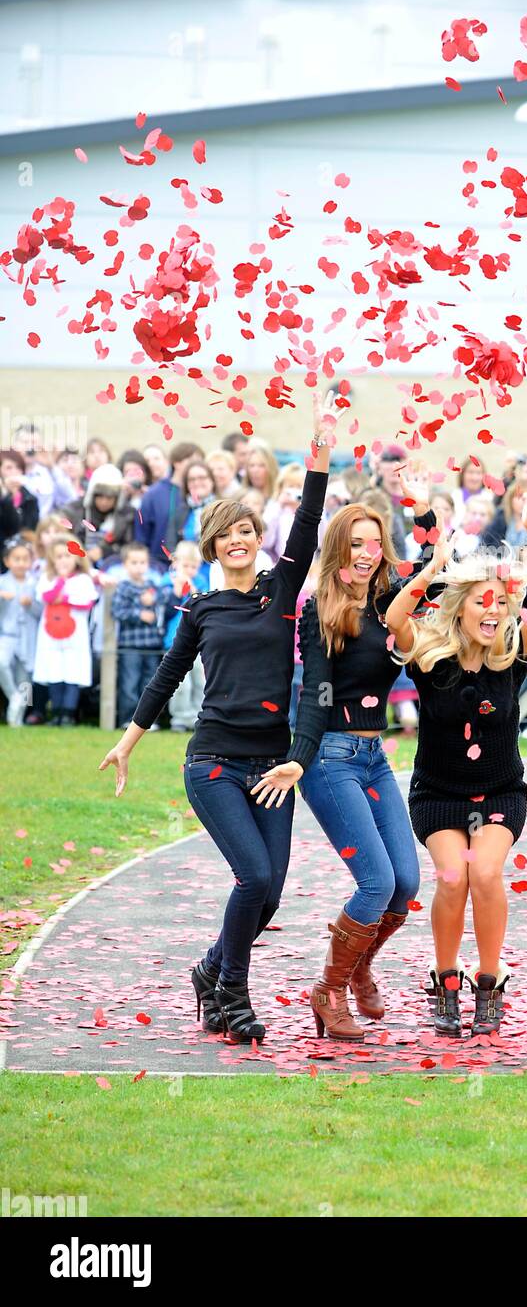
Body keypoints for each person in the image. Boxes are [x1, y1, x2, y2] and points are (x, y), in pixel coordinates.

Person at [99, 391, 333, 1045]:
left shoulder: (280, 592)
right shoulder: (201, 609)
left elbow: (310, 520)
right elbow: (167, 676)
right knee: (253, 877)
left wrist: (318, 448)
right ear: (212, 544)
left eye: (247, 531)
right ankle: (232, 993)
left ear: (258, 541)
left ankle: (210, 971)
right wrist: (128, 743)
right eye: (226, 533)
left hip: (273, 767)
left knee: (272, 894)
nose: (237, 540)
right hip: (213, 765)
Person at [250, 471, 437, 1040]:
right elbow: (315, 693)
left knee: (405, 882)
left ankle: (356, 969)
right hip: (331, 758)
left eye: (374, 541)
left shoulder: (389, 602)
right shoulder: (321, 610)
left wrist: (423, 508)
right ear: (338, 549)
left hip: (375, 756)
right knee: (376, 881)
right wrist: (301, 758)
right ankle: (329, 990)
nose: (366, 552)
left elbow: (435, 566)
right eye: (355, 542)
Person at [386, 483, 527, 1037]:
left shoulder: (510, 655)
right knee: (452, 875)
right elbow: (396, 618)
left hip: (500, 791)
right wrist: (432, 568)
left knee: (486, 871)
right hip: (438, 793)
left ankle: (488, 983)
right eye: (481, 602)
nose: (494, 610)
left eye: (501, 602)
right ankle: (445, 982)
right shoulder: (430, 655)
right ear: (460, 608)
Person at [34, 537, 98, 727]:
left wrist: (65, 598)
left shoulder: (84, 580)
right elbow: (47, 597)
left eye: (68, 556)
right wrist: (61, 583)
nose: (63, 560)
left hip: (74, 637)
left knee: (72, 672)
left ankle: (69, 713)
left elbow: (85, 602)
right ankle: (56, 712)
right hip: (50, 637)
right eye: (59, 556)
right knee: (55, 671)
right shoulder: (47, 578)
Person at [110, 543, 164, 728]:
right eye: (134, 562)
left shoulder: (152, 587)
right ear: (125, 565)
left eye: (142, 562)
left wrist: (155, 602)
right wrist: (138, 614)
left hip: (151, 644)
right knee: (129, 683)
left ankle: (148, 721)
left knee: (150, 684)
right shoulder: (123, 587)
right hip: (130, 645)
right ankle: (128, 719)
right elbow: (117, 611)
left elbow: (163, 608)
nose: (139, 566)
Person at [156, 540, 208, 733]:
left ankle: (196, 716)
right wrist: (177, 593)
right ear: (175, 563)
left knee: (199, 682)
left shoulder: (201, 583)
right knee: (181, 684)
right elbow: (165, 612)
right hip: (173, 641)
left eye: (194, 567)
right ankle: (179, 717)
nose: (190, 570)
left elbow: (203, 610)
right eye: (186, 566)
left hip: (198, 642)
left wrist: (193, 592)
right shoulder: (166, 582)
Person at [138, 442, 203, 569]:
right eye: (192, 461)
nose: (196, 467)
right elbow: (142, 535)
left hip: (193, 567)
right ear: (177, 462)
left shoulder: (201, 493)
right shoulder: (154, 494)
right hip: (158, 564)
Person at [0, 535, 40, 726]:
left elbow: (42, 611)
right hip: (6, 635)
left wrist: (31, 604)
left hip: (29, 636)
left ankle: (18, 719)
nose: (21, 563)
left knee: (25, 678)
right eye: (16, 559)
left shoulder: (36, 583)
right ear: (7, 561)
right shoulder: (2, 582)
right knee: (1, 663)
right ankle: (13, 697)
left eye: (25, 559)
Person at [0, 451, 40, 533]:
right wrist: (6, 495)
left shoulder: (30, 499)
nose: (14, 472)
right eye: (9, 468)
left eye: (18, 467)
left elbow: (30, 528)